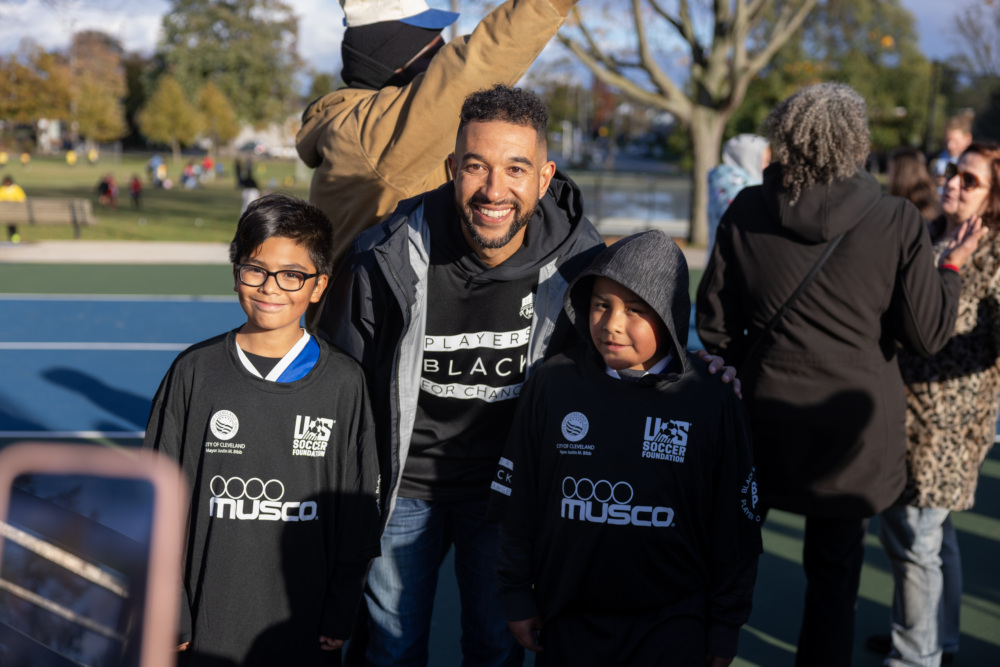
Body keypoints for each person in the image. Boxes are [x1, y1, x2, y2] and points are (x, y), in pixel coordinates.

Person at [324, 85, 740, 666]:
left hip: (511, 492)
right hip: (405, 487)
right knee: (392, 650)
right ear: (452, 169)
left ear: (544, 177)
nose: (495, 190)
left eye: (515, 169)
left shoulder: (580, 261)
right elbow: (341, 381)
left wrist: (691, 372)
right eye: (476, 167)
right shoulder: (387, 252)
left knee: (498, 646)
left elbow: (613, 360)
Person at [695, 82, 985, 667]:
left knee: (729, 565)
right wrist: (950, 266)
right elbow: (927, 335)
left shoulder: (748, 209)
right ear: (857, 142)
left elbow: (715, 327)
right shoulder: (897, 219)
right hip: (852, 435)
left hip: (763, 426)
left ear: (786, 136)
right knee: (833, 585)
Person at [495, 230, 761, 666]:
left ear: (670, 316)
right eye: (602, 305)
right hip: (568, 618)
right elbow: (517, 505)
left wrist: (725, 625)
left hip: (673, 625)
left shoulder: (710, 397)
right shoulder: (553, 382)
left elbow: (735, 531)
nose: (612, 323)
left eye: (636, 310)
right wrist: (517, 596)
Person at [143, 193, 382, 666]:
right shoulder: (194, 372)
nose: (271, 286)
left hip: (305, 626)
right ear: (236, 273)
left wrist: (341, 608)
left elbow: (358, 511)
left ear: (318, 286)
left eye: (292, 274)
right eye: (255, 269)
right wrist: (172, 610)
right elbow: (155, 500)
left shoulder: (343, 383)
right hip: (207, 628)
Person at [297, 0, 582, 329]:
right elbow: (476, 64)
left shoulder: (366, 128)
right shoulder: (373, 133)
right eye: (434, 53)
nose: (443, 54)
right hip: (367, 355)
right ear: (398, 65)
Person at [869, 142, 1000, 667]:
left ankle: (914, 657)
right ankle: (936, 639)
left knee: (916, 540)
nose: (953, 183)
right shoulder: (930, 233)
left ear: (993, 198)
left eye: (971, 181)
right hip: (904, 412)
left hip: (949, 428)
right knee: (930, 538)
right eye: (953, 172)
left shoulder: (994, 255)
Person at [706, 134, 770, 250]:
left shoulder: (720, 178)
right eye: (765, 161)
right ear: (750, 159)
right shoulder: (735, 186)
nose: (767, 166)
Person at [888, 147, 939, 221]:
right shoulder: (933, 202)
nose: (887, 175)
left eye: (889, 169)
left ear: (900, 174)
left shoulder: (904, 212)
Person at [930, 113, 974, 184]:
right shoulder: (932, 159)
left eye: (955, 141)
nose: (950, 146)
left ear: (968, 138)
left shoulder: (974, 163)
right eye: (947, 140)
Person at [0, 174, 26, 243]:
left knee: (11, 224)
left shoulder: (3, 189)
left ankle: (14, 237)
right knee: (11, 224)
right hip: (8, 212)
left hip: (12, 212)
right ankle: (14, 237)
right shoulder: (16, 189)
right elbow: (22, 199)